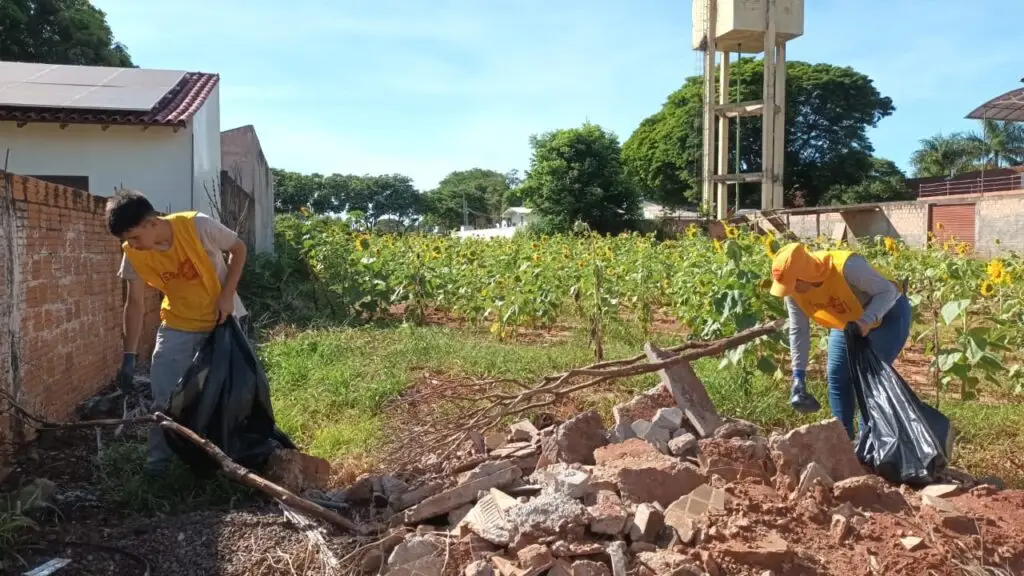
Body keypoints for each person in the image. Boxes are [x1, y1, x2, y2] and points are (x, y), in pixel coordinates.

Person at [106, 190, 248, 474]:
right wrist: (129, 356)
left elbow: (239, 248)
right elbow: (133, 304)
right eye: (126, 240)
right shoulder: (134, 254)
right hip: (176, 326)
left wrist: (227, 294)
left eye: (134, 237)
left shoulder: (197, 226)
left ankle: (230, 461)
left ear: (151, 223)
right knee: (165, 400)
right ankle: (159, 467)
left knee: (231, 393)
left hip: (222, 323)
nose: (132, 245)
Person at [768, 242, 911, 439]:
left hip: (888, 315)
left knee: (869, 379)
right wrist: (798, 375)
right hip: (849, 321)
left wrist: (866, 320)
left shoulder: (847, 267)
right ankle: (842, 441)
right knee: (837, 375)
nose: (791, 291)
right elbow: (799, 329)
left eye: (794, 285)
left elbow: (889, 292)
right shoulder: (794, 291)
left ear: (806, 274)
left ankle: (868, 443)